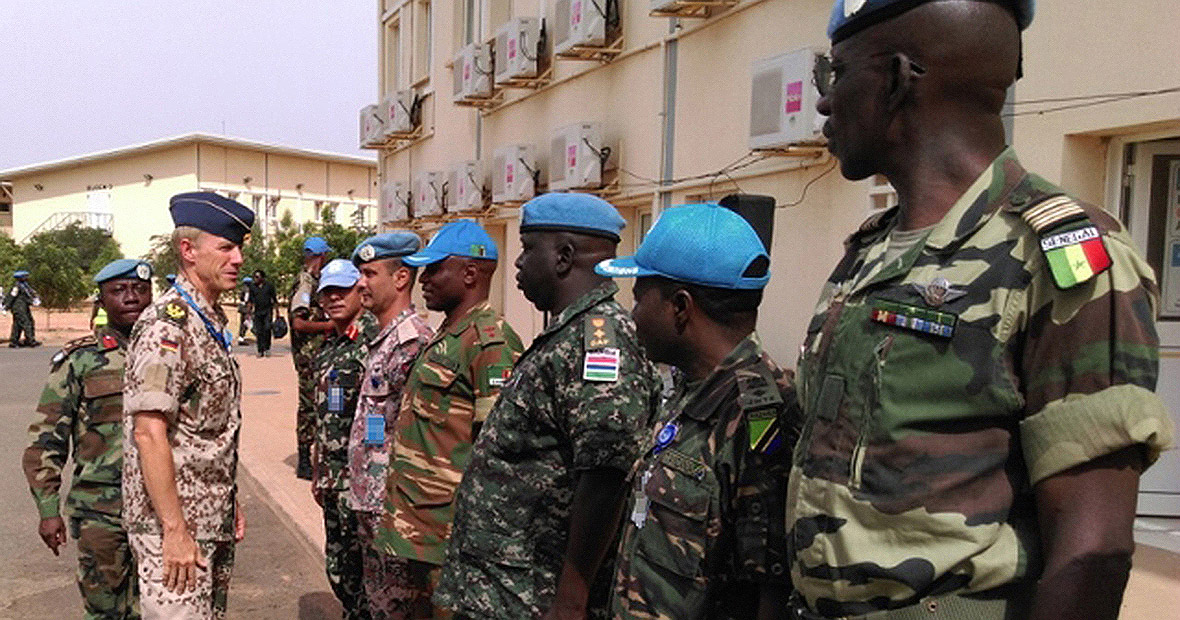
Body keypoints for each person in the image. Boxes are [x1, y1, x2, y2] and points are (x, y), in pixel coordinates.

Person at [787, 2, 1175, 619]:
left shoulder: (1056, 252)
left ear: (895, 78)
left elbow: (1093, 550)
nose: (824, 103)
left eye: (835, 73)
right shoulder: (873, 248)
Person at [435, 195, 657, 620]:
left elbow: (606, 475)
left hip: (534, 595)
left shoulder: (599, 341)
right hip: (502, 586)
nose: (516, 264)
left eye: (527, 249)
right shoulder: (566, 334)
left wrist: (571, 598)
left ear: (564, 256)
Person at [596, 204, 798, 619]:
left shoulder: (759, 415)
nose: (632, 317)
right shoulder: (690, 391)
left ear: (681, 307)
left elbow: (768, 591)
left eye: (638, 299)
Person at [375, 219, 524, 619]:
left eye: (436, 268)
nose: (424, 279)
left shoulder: (490, 342)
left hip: (450, 537)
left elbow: (496, 453)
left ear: (470, 273)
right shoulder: (449, 335)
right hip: (419, 528)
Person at [122, 191, 252, 619]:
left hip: (207, 517)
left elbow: (208, 430)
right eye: (226, 247)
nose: (237, 259)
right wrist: (174, 530)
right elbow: (148, 431)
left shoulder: (207, 320)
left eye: (239, 249)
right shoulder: (168, 325)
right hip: (173, 529)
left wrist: (228, 500)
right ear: (188, 250)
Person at [22, 258, 154, 619]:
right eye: (119, 290)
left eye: (139, 289)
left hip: (160, 510)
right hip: (101, 512)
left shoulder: (170, 355)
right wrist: (48, 511)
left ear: (152, 296)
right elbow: (46, 440)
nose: (130, 298)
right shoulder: (79, 360)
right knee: (104, 610)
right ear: (102, 301)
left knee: (161, 609)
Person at [348, 231, 434, 619]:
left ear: (401, 279)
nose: (360, 284)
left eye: (369, 274)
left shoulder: (412, 344)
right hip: (372, 504)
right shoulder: (383, 340)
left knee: (397, 608)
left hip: (394, 511)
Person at [312, 258, 379, 619]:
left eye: (342, 290)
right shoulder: (332, 344)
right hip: (333, 480)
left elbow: (379, 419)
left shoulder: (372, 342)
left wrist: (370, 472)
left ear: (359, 290)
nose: (334, 298)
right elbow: (326, 415)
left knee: (367, 572)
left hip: (360, 482)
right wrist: (320, 469)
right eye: (327, 292)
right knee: (340, 567)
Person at [291, 236, 336, 480]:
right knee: (309, 407)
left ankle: (318, 456)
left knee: (321, 404)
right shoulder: (305, 283)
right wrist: (329, 325)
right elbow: (299, 323)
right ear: (320, 256)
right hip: (309, 357)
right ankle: (304, 460)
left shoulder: (312, 281)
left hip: (316, 355)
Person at [6, 269, 41, 347]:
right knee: (26, 323)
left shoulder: (25, 286)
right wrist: (6, 307)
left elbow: (28, 296)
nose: (27, 278)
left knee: (19, 324)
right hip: (18, 308)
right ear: (20, 277)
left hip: (24, 307)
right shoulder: (16, 287)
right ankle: (30, 340)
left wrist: (33, 300)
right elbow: (11, 297)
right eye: (25, 276)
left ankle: (14, 341)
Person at [249, 269, 278, 357]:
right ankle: (260, 350)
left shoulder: (269, 286)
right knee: (259, 331)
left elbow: (274, 299)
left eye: (257, 277)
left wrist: (277, 312)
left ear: (262, 277)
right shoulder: (252, 287)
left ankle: (267, 348)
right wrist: (249, 312)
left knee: (267, 328)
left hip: (267, 311)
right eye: (254, 277)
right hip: (257, 311)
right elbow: (251, 300)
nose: (255, 279)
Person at [237, 276, 253, 346]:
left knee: (243, 322)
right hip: (245, 308)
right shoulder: (247, 290)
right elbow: (247, 299)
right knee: (246, 322)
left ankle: (241, 337)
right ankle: (241, 338)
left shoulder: (243, 288)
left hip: (241, 307)